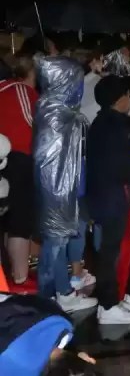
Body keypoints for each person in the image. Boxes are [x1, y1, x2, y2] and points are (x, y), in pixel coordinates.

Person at [32, 57, 95, 313]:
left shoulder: (57, 109)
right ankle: (48, 300)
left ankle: (61, 292)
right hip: (57, 191)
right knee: (54, 246)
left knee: (57, 244)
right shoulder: (56, 113)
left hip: (62, 189)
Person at [85, 76, 130, 325]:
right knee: (110, 251)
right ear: (118, 99)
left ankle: (110, 302)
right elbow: (124, 165)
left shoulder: (102, 123)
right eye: (127, 95)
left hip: (103, 195)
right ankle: (107, 306)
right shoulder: (115, 128)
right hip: (112, 197)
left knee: (109, 250)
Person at [0, 54, 38, 291]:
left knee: (6, 218)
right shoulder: (20, 90)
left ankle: (9, 273)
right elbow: (35, 122)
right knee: (20, 222)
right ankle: (21, 277)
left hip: (5, 159)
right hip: (17, 158)